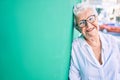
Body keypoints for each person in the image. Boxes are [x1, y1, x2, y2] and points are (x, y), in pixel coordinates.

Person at [69, 2, 120, 80]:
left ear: (97, 18)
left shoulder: (113, 42)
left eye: (91, 18)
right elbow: (74, 77)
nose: (88, 25)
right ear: (77, 28)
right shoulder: (76, 47)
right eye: (82, 22)